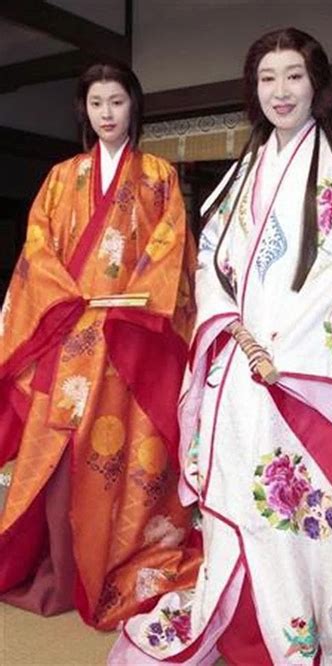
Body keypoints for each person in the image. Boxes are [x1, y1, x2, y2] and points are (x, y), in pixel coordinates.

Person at [109, 29, 332, 664]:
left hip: (306, 371)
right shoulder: (241, 174)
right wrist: (232, 326)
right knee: (243, 491)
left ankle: (316, 616)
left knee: (307, 499)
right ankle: (241, 612)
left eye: (293, 76)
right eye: (268, 78)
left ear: (316, 85)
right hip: (243, 365)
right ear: (255, 90)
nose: (280, 91)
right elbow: (212, 263)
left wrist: (283, 344)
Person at [0, 62, 201, 630]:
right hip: (68, 339)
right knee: (59, 456)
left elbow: (171, 257)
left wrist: (129, 304)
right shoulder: (62, 178)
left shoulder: (159, 176)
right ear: (84, 112)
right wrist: (66, 303)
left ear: (134, 105)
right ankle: (60, 567)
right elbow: (37, 248)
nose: (107, 114)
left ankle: (122, 555)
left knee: (123, 458)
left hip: (126, 346)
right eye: (96, 104)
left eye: (116, 102)